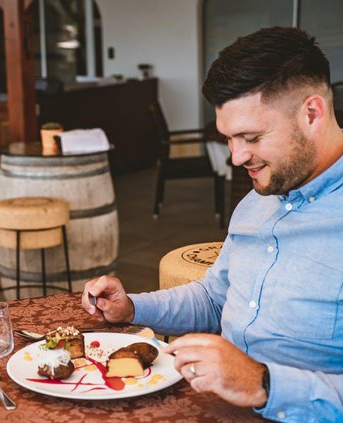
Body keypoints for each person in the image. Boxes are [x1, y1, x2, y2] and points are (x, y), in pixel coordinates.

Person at [82, 27, 342, 422]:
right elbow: (214, 299)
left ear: (311, 113)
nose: (236, 158)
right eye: (228, 139)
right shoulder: (257, 201)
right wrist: (131, 307)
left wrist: (261, 384)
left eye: (251, 137)